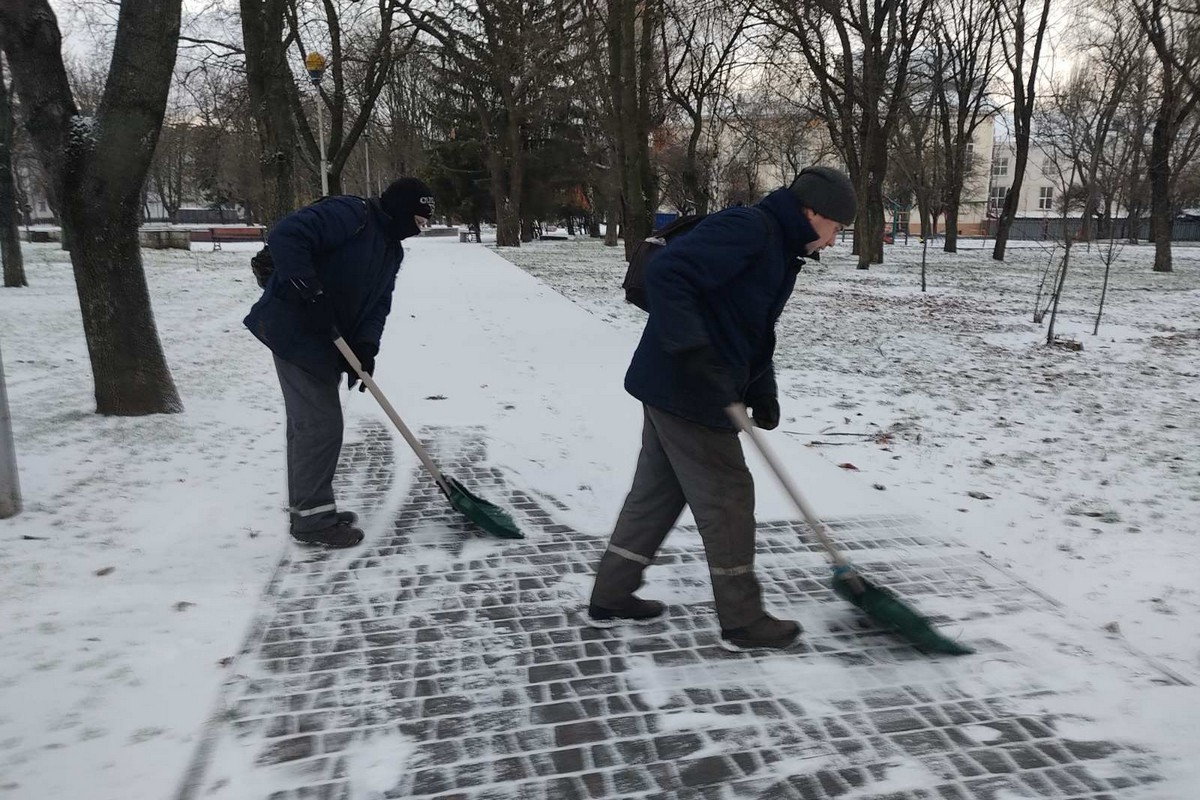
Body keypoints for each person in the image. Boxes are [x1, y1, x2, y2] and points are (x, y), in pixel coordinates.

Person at [587, 166, 857, 651]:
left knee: (657, 494)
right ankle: (742, 618)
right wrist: (693, 350)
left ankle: (612, 593)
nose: (835, 242)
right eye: (836, 228)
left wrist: (763, 388)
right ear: (812, 212)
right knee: (729, 499)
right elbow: (669, 273)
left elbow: (751, 328)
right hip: (689, 388)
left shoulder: (780, 248)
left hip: (683, 385)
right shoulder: (748, 229)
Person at [244, 178, 435, 548]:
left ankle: (309, 511)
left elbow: (379, 303)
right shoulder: (351, 214)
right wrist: (310, 292)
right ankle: (313, 521)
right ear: (399, 210)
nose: (419, 229)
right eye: (418, 219)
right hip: (292, 330)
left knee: (309, 426)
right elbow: (287, 235)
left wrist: (366, 346)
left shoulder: (391, 250)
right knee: (319, 425)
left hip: (327, 340)